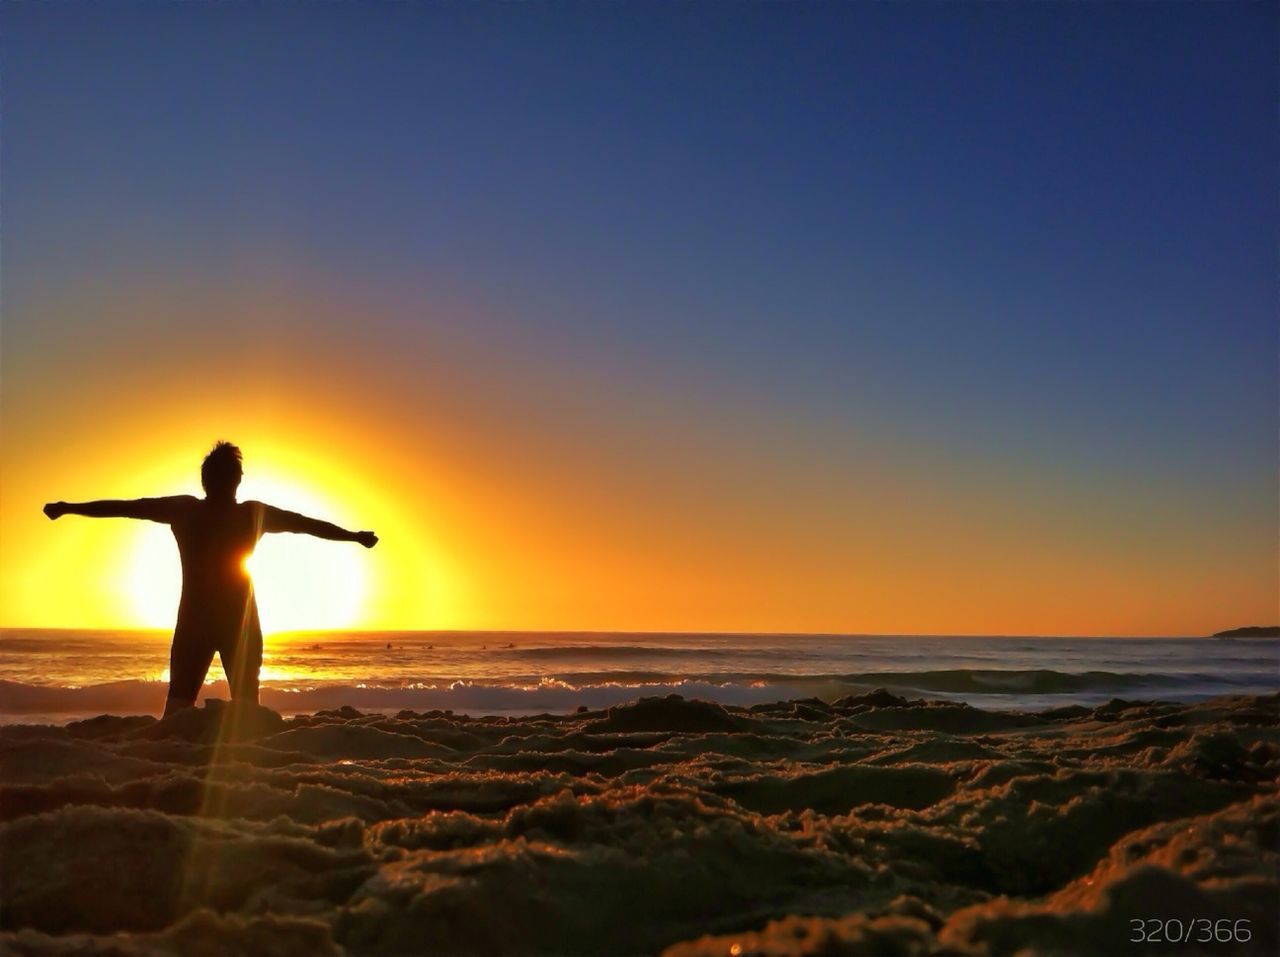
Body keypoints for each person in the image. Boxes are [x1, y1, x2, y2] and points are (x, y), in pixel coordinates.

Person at [43, 441, 377, 717]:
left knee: (210, 711)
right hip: (225, 623)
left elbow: (304, 523)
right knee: (212, 710)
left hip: (215, 623)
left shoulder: (201, 511)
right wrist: (70, 507)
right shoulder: (230, 513)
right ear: (233, 480)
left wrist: (69, 507)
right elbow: (127, 507)